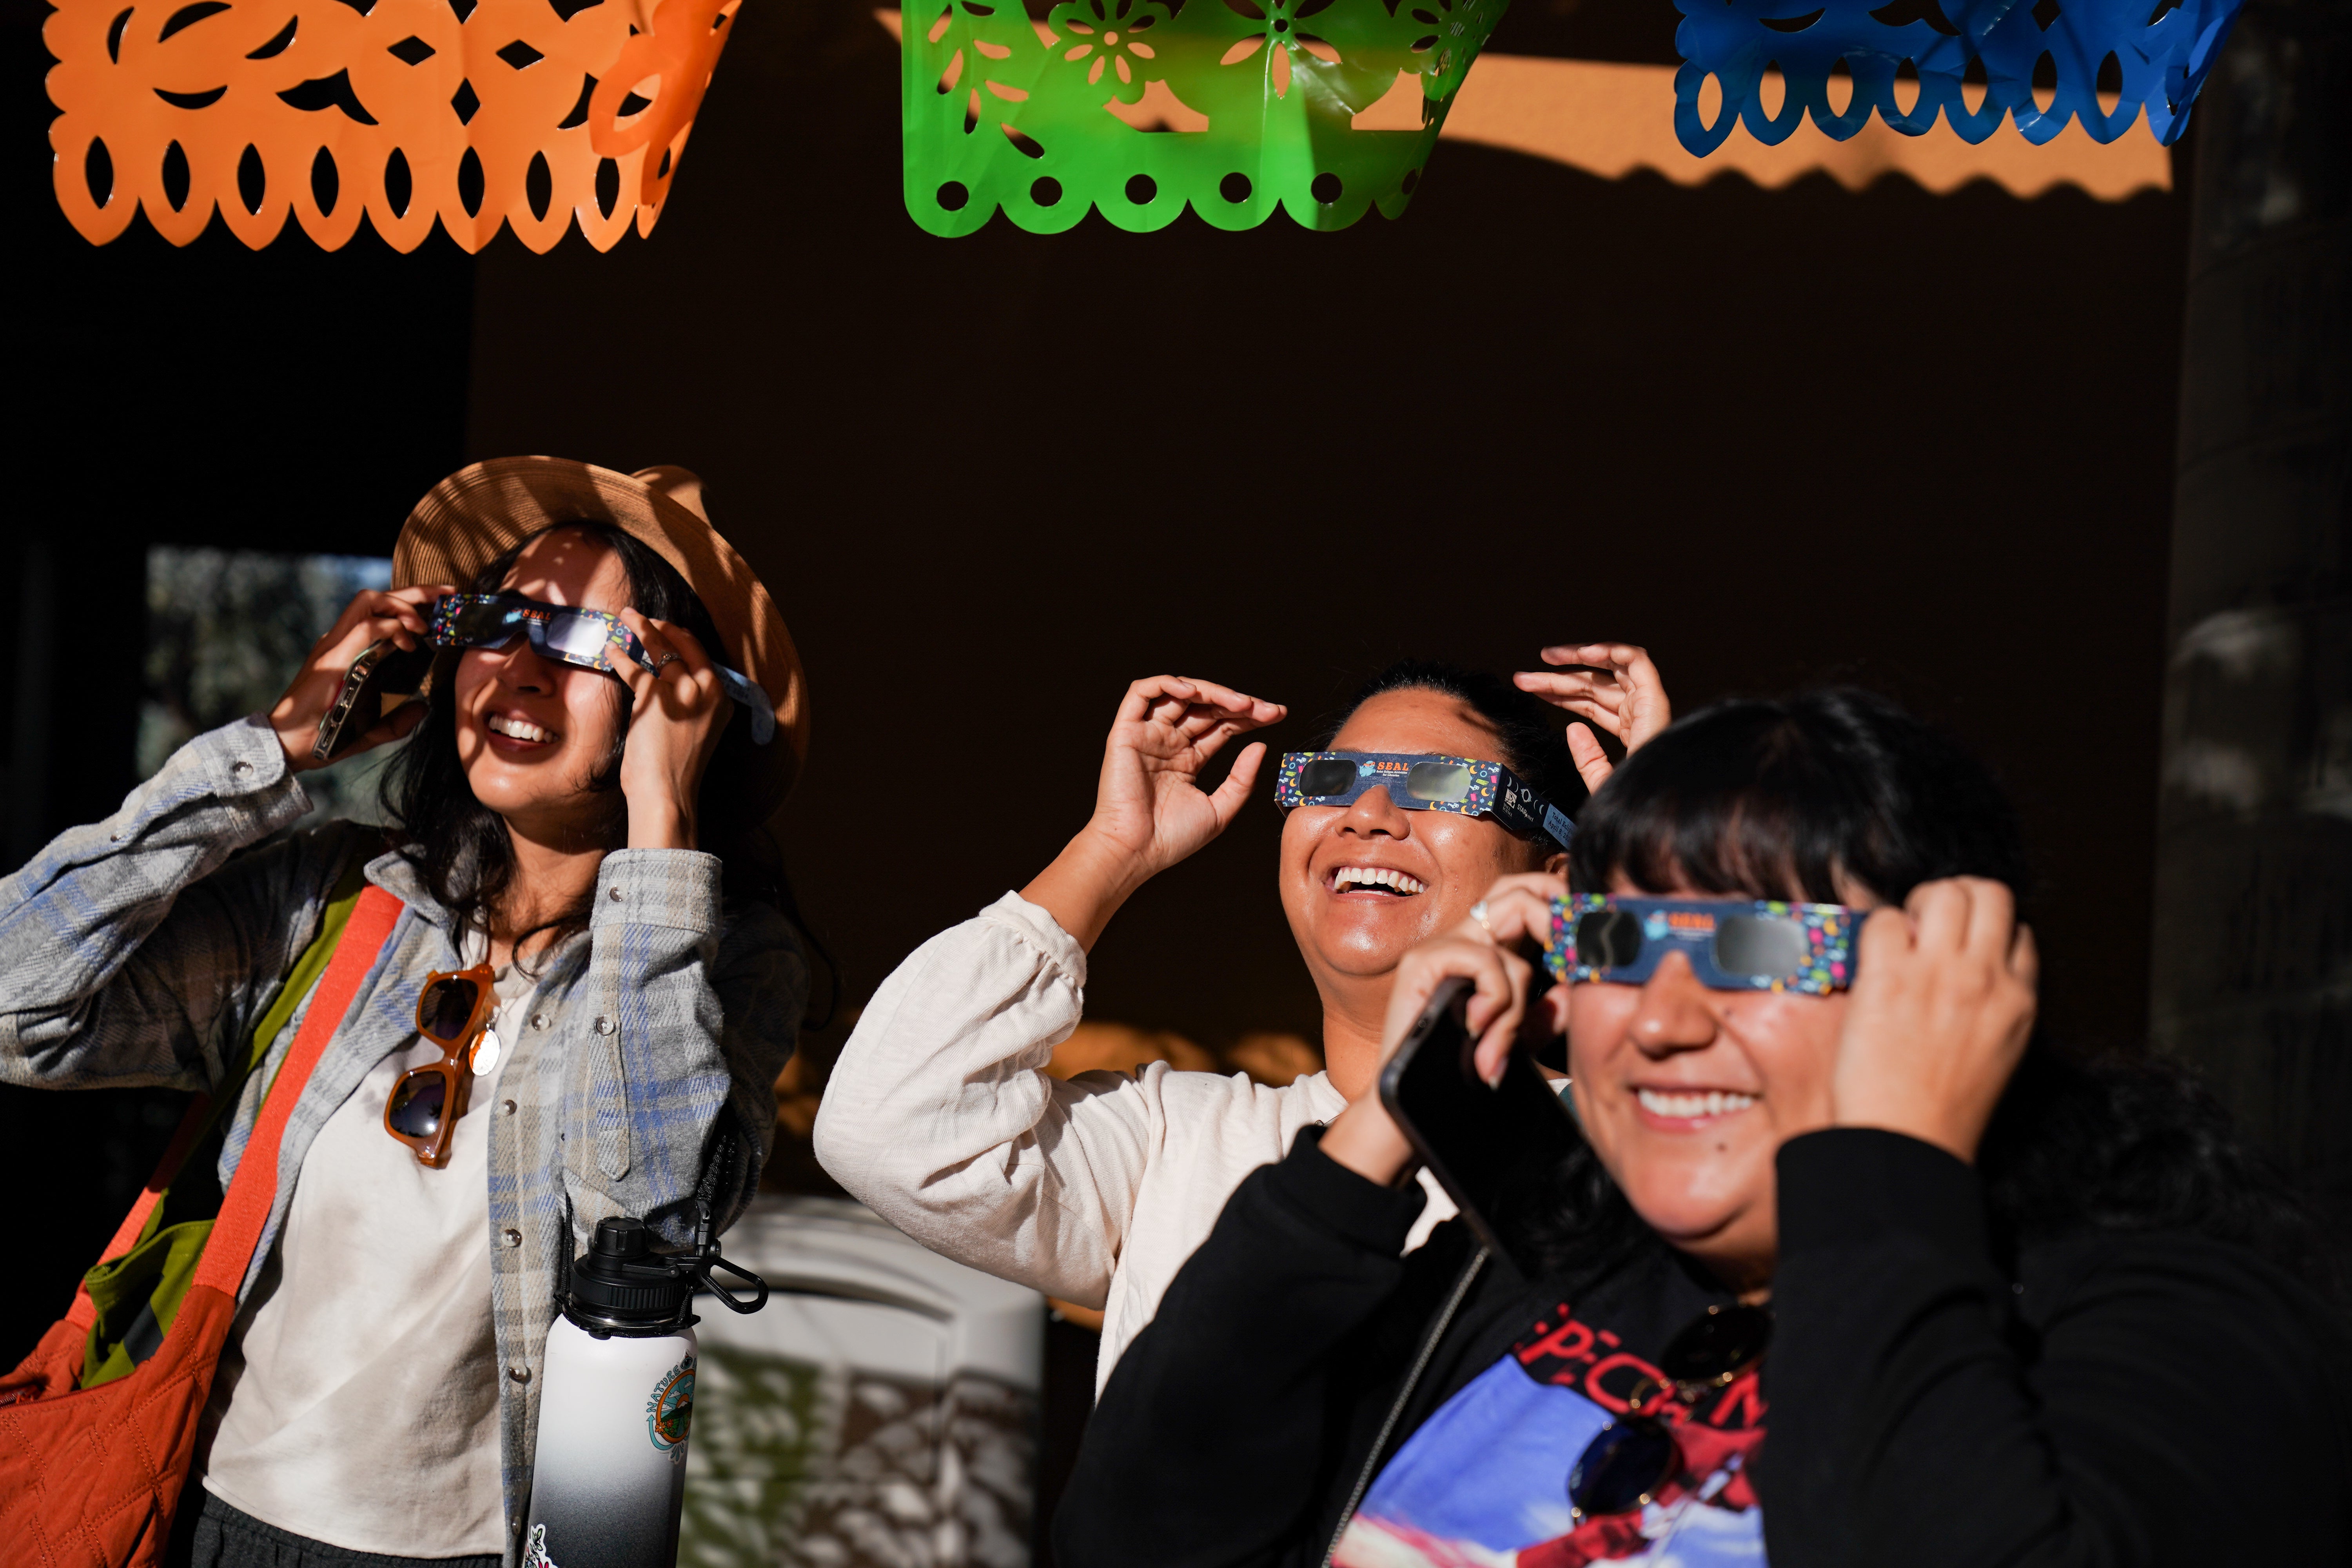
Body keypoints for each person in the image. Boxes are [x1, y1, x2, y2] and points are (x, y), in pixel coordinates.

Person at [1055, 688, 2352, 1568]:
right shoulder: (1546, 1278)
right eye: (1620, 940)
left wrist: (1887, 1177)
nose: (1662, 1021)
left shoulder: (2158, 1314)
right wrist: (1397, 1115)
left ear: (1950, 975)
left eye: (1754, 946)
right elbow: (1143, 1529)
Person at [0, 459, 812, 1567]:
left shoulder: (726, 969)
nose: (522, 668)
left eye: (585, 643)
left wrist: (660, 820)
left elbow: (650, 1216)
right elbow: (17, 1002)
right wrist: (270, 751)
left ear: (684, 700)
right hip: (204, 1522)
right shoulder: (333, 901)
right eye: (501, 620)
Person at [814, 646, 1672, 1385]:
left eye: (1444, 783)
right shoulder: (1176, 1146)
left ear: (1559, 875)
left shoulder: (1647, 1142)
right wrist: (1111, 849)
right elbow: (891, 1124)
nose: (1368, 814)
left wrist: (1680, 888)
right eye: (1332, 779)